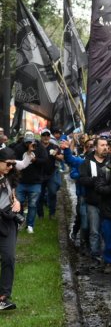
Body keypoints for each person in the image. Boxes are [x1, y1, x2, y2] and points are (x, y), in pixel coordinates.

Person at [79, 137, 109, 262]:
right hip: (93, 201)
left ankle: (107, 254)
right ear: (95, 147)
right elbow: (81, 179)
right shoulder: (87, 162)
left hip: (108, 201)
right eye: (102, 145)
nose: (105, 147)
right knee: (94, 229)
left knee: (107, 230)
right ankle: (95, 254)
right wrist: (96, 180)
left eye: (106, 145)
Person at [13, 131, 48, 233]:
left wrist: (35, 160)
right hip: (21, 181)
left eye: (30, 142)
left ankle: (30, 225)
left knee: (32, 204)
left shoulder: (40, 147)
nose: (29, 144)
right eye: (27, 142)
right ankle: (19, 222)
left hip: (35, 181)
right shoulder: (18, 148)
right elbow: (15, 163)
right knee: (18, 203)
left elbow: (45, 160)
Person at [0, 148, 21, 310]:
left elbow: (12, 195)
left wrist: (17, 202)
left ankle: (3, 297)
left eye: (12, 164)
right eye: (8, 164)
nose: (10, 167)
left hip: (8, 222)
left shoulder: (9, 177)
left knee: (9, 258)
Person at [38, 128, 63, 219]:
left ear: (49, 136)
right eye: (44, 135)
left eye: (47, 135)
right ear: (41, 136)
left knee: (52, 192)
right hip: (39, 174)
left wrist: (55, 155)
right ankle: (40, 215)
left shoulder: (54, 146)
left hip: (51, 173)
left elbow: (61, 157)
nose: (46, 137)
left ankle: (52, 213)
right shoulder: (37, 146)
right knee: (39, 195)